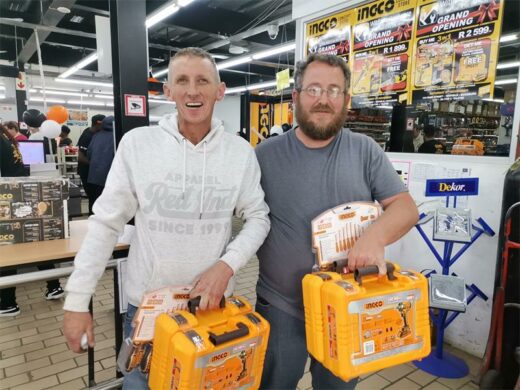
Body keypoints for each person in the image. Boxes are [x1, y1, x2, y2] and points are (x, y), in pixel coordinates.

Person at [62, 47, 270, 389]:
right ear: (167, 91)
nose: (193, 90)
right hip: (148, 312)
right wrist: (76, 300)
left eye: (203, 80)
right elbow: (105, 224)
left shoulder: (239, 153)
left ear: (220, 90)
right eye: (182, 81)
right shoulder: (138, 145)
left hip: (212, 308)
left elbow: (259, 217)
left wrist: (227, 264)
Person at [255, 53, 419, 389]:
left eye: (334, 91)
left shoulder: (365, 150)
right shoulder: (264, 156)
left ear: (346, 100)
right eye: (313, 89)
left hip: (346, 304)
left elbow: (405, 208)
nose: (323, 100)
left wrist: (374, 238)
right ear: (296, 96)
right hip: (280, 306)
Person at [0, 125, 64, 317]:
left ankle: (7, 302)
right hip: (18, 191)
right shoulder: (5, 136)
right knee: (32, 241)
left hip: (6, 196)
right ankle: (54, 286)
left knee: (8, 248)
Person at [77, 114, 105, 215]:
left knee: (96, 198)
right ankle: (92, 218)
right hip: (86, 173)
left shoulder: (96, 134)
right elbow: (80, 157)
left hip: (93, 172)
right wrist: (96, 165)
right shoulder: (87, 136)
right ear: (98, 124)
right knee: (93, 197)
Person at [86, 116, 116, 209]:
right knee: (108, 208)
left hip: (93, 178)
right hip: (109, 179)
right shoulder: (116, 137)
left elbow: (89, 154)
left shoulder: (96, 136)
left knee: (94, 206)